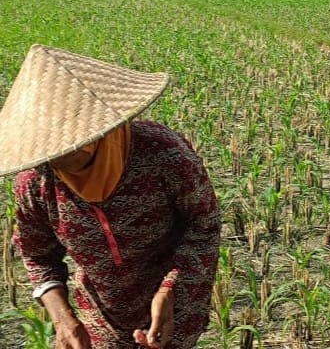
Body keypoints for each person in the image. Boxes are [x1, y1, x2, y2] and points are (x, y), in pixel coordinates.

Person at [0, 44, 221, 349]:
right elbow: (37, 255)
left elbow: (203, 223)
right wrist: (65, 322)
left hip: (176, 311)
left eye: (59, 149)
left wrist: (172, 289)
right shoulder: (36, 184)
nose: (48, 160)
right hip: (101, 319)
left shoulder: (162, 154)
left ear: (93, 134)